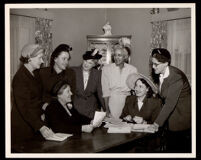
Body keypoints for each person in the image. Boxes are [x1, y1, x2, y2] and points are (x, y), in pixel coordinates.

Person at [148, 48, 191, 153]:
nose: (153, 67)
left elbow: (170, 104)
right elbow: (164, 95)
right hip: (171, 117)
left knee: (177, 149)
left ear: (166, 63)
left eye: (156, 64)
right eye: (152, 64)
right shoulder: (162, 73)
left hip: (181, 118)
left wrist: (156, 124)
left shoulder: (175, 76)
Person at [11, 44, 54, 146]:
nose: (42, 61)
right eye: (40, 58)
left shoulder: (36, 73)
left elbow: (39, 96)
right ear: (29, 59)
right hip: (23, 127)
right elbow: (25, 107)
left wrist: (44, 107)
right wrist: (41, 127)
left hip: (34, 123)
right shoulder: (20, 78)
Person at [101, 45, 138, 118]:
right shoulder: (106, 69)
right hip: (112, 102)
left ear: (125, 57)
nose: (116, 58)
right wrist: (107, 110)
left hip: (127, 102)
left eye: (119, 55)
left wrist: (134, 108)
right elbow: (105, 92)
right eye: (115, 55)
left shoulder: (133, 69)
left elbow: (135, 91)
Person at [72, 49, 105, 119]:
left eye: (90, 63)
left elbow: (100, 92)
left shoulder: (97, 74)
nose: (86, 64)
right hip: (75, 107)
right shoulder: (73, 71)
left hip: (91, 109)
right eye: (85, 61)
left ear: (94, 65)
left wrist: (106, 109)